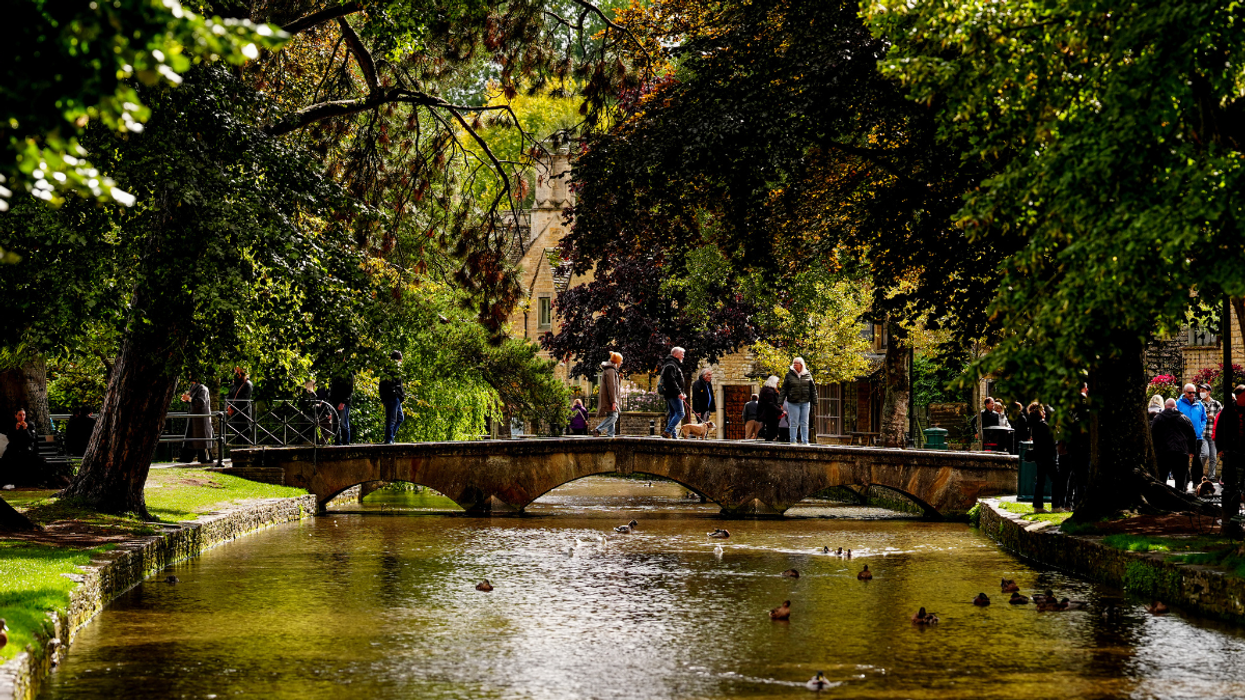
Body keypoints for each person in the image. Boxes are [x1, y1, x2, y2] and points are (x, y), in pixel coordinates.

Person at [1214, 385, 1245, 536]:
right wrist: (1220, 448)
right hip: (1231, 452)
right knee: (1230, 482)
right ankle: (1230, 518)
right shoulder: (1228, 410)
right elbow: (1220, 430)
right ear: (1238, 396)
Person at [1152, 397, 1198, 493]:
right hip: (1181, 452)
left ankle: (1161, 498)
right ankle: (1180, 498)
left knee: (1162, 478)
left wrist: (1155, 450)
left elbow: (1153, 435)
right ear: (1176, 407)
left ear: (1165, 406)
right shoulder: (1185, 418)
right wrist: (1192, 451)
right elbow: (1192, 435)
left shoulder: (1158, 418)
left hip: (1163, 452)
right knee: (1180, 480)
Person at [1026, 403, 1059, 512]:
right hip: (1047, 456)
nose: (1044, 412)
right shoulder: (1042, 425)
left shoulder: (1034, 424)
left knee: (1040, 481)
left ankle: (1038, 506)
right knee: (1056, 479)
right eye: (1043, 410)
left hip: (1039, 456)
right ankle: (1056, 506)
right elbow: (1050, 440)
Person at [779, 357, 817, 445]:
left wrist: (814, 400)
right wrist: (780, 401)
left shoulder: (808, 375)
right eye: (794, 363)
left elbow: (812, 389)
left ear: (801, 365)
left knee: (804, 422)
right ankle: (793, 440)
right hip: (793, 402)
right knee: (794, 422)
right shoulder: (789, 375)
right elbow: (784, 389)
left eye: (796, 363)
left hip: (805, 401)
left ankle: (805, 441)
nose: (794, 365)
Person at [1176, 383, 1209, 485]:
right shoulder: (1178, 404)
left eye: (1194, 392)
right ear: (1184, 392)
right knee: (1183, 460)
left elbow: (1204, 418)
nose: (1192, 394)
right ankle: (1184, 483)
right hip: (1183, 437)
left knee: (1197, 459)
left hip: (1197, 436)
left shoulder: (1199, 404)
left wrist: (1201, 427)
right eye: (1190, 392)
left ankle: (1197, 481)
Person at [0, 408, 42, 485]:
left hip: (26, 449)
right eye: (20, 415)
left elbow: (32, 439)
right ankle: (7, 482)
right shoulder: (12, 424)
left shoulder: (30, 424)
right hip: (14, 449)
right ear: (16, 416)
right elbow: (10, 438)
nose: (22, 417)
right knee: (6, 458)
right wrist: (16, 430)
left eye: (24, 415)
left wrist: (26, 430)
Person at [180, 379, 214, 464]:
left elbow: (201, 402)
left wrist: (190, 399)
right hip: (194, 416)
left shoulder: (203, 388)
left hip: (201, 418)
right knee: (191, 436)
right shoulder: (192, 388)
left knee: (202, 438)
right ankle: (187, 457)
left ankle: (205, 457)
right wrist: (187, 399)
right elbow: (192, 400)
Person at [659, 346, 687, 439]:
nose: (683, 356)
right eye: (682, 354)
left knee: (673, 414)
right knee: (680, 413)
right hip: (673, 394)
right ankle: (667, 431)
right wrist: (679, 393)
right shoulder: (671, 365)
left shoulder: (672, 364)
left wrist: (681, 392)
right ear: (675, 354)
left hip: (672, 393)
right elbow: (671, 380)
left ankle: (674, 436)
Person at [380, 350, 406, 444]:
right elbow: (388, 385)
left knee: (400, 418)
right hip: (392, 398)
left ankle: (391, 436)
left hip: (396, 398)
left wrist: (400, 397)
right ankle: (389, 439)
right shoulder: (390, 370)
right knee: (391, 420)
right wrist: (395, 395)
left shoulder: (394, 370)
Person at [594, 352, 622, 437]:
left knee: (611, 415)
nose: (621, 363)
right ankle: (598, 429)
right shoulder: (610, 371)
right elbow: (611, 387)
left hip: (608, 399)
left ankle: (610, 435)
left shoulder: (610, 370)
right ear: (617, 361)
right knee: (614, 416)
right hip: (609, 400)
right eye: (621, 361)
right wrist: (614, 401)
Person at [225, 367, 254, 443]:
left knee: (244, 438)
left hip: (244, 415)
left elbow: (244, 399)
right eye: (236, 371)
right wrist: (228, 407)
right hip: (235, 416)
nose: (236, 373)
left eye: (238, 371)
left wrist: (231, 407)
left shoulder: (248, 384)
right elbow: (229, 397)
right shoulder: (234, 385)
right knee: (236, 438)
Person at [1200, 383, 1222, 481]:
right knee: (1205, 454)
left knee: (1213, 457)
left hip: (1213, 433)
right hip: (1203, 433)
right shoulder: (1199, 404)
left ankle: (1211, 477)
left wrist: (1214, 417)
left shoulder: (1216, 404)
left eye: (1203, 391)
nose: (1201, 393)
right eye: (1200, 391)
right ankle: (1199, 474)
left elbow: (1221, 417)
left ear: (1208, 392)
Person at [330, 372, 355, 444]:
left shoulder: (348, 373)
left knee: (344, 424)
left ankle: (346, 442)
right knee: (335, 423)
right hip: (335, 401)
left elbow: (350, 390)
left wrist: (343, 402)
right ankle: (337, 442)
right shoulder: (335, 373)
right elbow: (332, 388)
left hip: (343, 402)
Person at [758, 376, 782, 441]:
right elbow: (771, 404)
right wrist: (780, 410)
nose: (778, 384)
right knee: (772, 431)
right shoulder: (770, 391)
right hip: (770, 414)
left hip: (768, 414)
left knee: (770, 431)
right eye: (777, 383)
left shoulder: (765, 390)